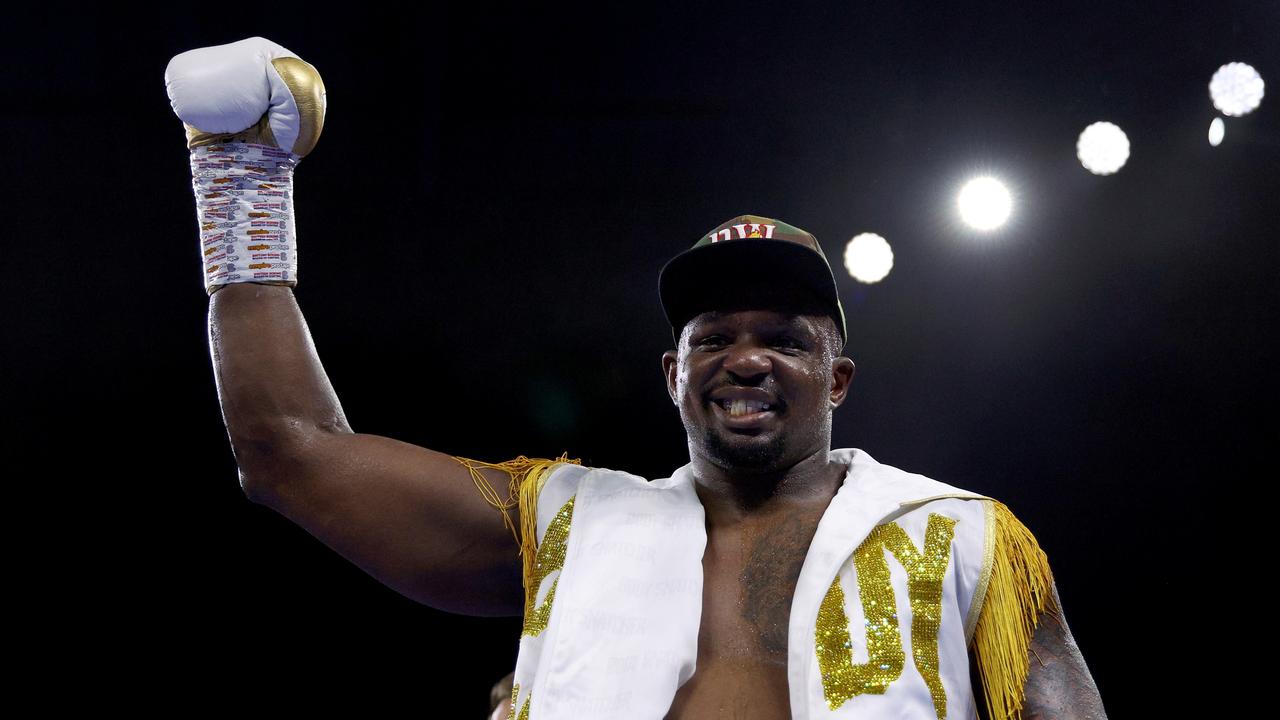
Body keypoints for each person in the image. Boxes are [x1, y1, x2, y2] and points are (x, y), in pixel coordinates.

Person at [167, 37, 1107, 719]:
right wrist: (241, 190)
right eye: (715, 339)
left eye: (784, 338)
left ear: (839, 380)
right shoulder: (569, 521)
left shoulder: (966, 535)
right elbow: (290, 455)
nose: (746, 358)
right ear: (673, 374)